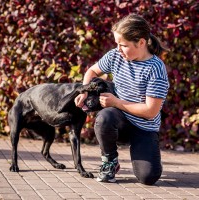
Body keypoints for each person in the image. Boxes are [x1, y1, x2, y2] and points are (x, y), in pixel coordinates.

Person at [74, 13, 169, 185]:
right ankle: (110, 161)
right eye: (116, 43)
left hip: (144, 127)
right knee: (104, 118)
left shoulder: (156, 68)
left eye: (123, 45)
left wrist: (116, 102)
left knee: (148, 177)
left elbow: (150, 111)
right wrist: (85, 91)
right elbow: (92, 71)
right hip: (119, 121)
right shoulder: (116, 56)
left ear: (141, 42)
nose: (118, 49)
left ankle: (145, 154)